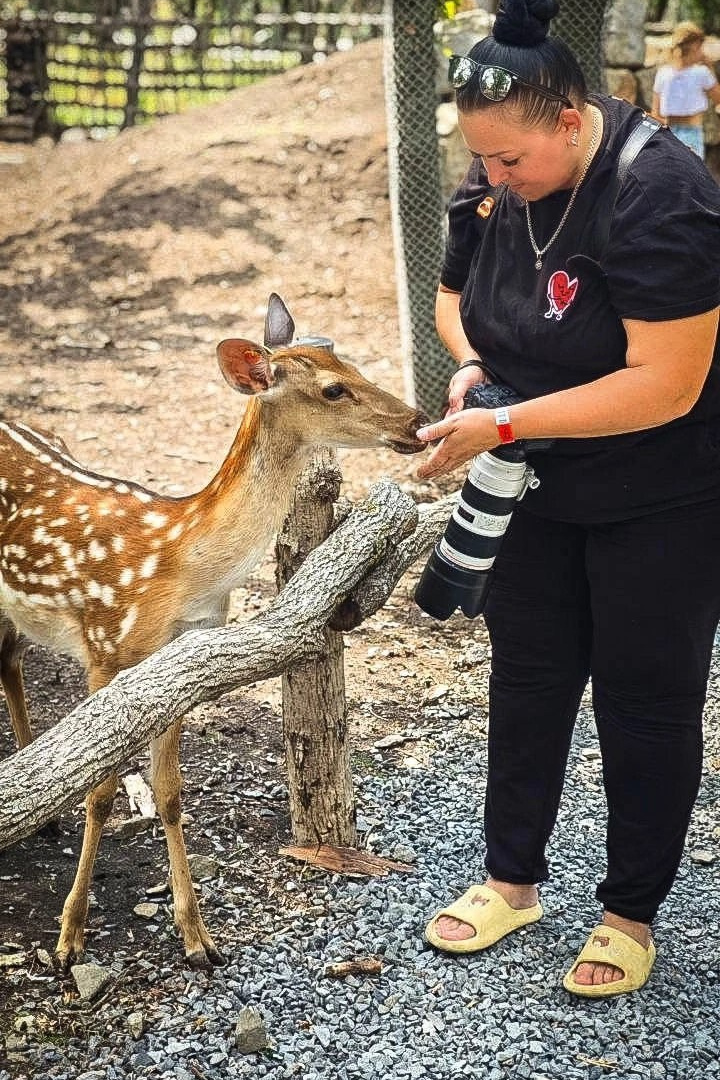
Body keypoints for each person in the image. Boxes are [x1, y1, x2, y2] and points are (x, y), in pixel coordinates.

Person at [415, 0, 720, 998]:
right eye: (482, 160)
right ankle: (513, 881)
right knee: (529, 678)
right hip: (536, 482)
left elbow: (665, 382)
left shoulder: (659, 194)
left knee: (645, 699)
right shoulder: (496, 171)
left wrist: (502, 423)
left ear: (570, 119)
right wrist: (472, 374)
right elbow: (454, 300)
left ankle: (630, 913)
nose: (491, 180)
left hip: (662, 495)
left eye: (510, 162)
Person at [651, 20, 720, 160]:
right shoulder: (700, 73)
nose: (702, 52)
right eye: (700, 47)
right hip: (682, 134)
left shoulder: (665, 73)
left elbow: (655, 113)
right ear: (694, 46)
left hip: (675, 134)